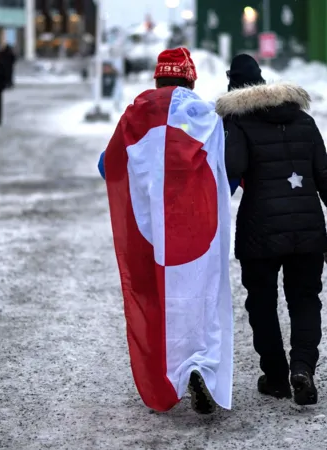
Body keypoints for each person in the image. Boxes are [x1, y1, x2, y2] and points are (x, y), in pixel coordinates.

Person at [216, 54, 327, 406]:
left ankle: (275, 377)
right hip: (307, 231)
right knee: (305, 300)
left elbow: (233, 166)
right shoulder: (303, 121)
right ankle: (302, 368)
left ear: (234, 89)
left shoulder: (238, 123)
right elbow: (326, 179)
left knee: (262, 303)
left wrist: (228, 125)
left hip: (260, 232)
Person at [97, 48, 234, 416]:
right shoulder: (206, 116)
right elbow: (227, 171)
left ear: (157, 78)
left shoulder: (135, 116)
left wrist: (146, 186)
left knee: (159, 300)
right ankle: (200, 366)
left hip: (152, 230)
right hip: (196, 228)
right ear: (190, 79)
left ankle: (172, 374)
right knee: (202, 299)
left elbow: (106, 165)